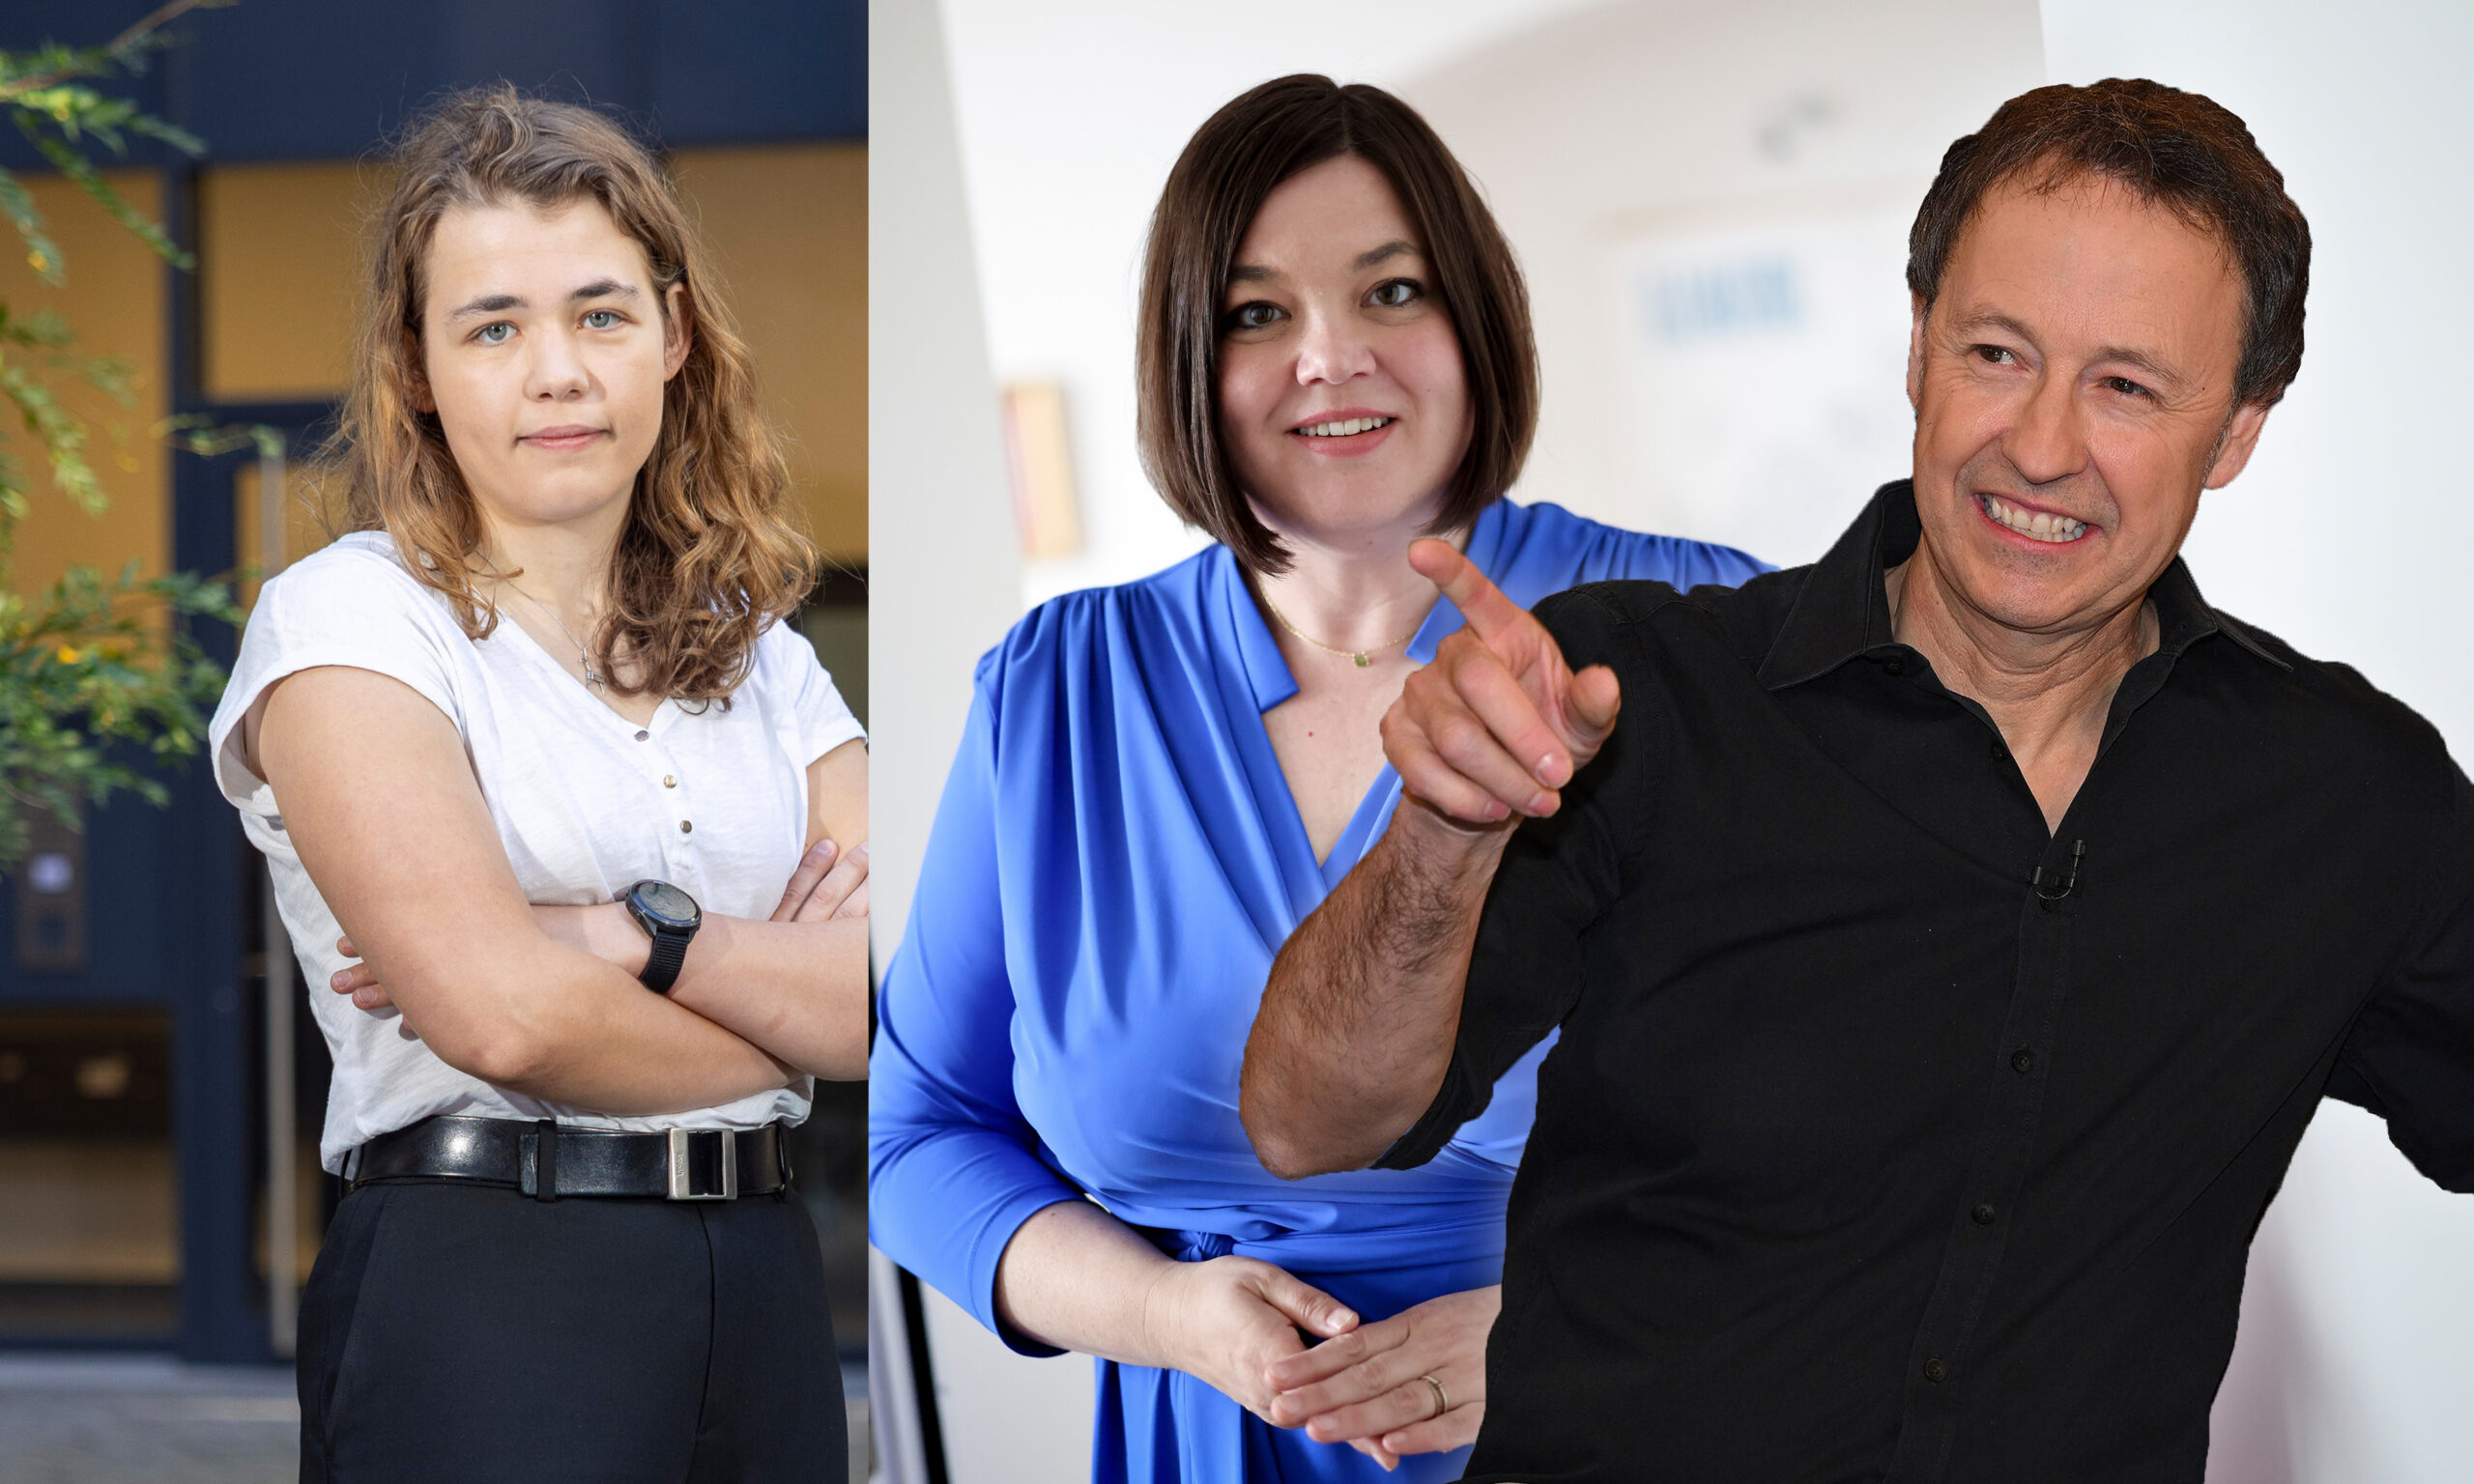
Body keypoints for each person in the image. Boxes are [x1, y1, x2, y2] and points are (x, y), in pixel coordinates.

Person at [1242, 76, 2474, 1483]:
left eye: (2126, 386)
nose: (2042, 445)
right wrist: (1442, 840)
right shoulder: (1634, 699)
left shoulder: (2342, 796)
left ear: (2238, 431)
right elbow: (1305, 1120)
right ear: (1918, 350)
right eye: (1998, 353)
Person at [868, 74, 1763, 1482]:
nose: (1331, 357)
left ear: (1477, 319)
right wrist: (1167, 1314)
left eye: (1393, 292)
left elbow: (1934, 1122)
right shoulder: (1058, 692)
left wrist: (1575, 1324)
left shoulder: (1714, 638)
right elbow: (917, 1139)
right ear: (1187, 357)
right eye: (1255, 312)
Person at [205, 88, 867, 1482]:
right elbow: (499, 1020)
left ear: (675, 338)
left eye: (601, 314)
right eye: (494, 326)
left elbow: (905, 994)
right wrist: (787, 1025)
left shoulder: (765, 656)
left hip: (761, 1277)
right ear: (420, 369)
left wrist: (629, 937)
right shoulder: (349, 624)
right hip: (489, 1277)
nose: (557, 371)